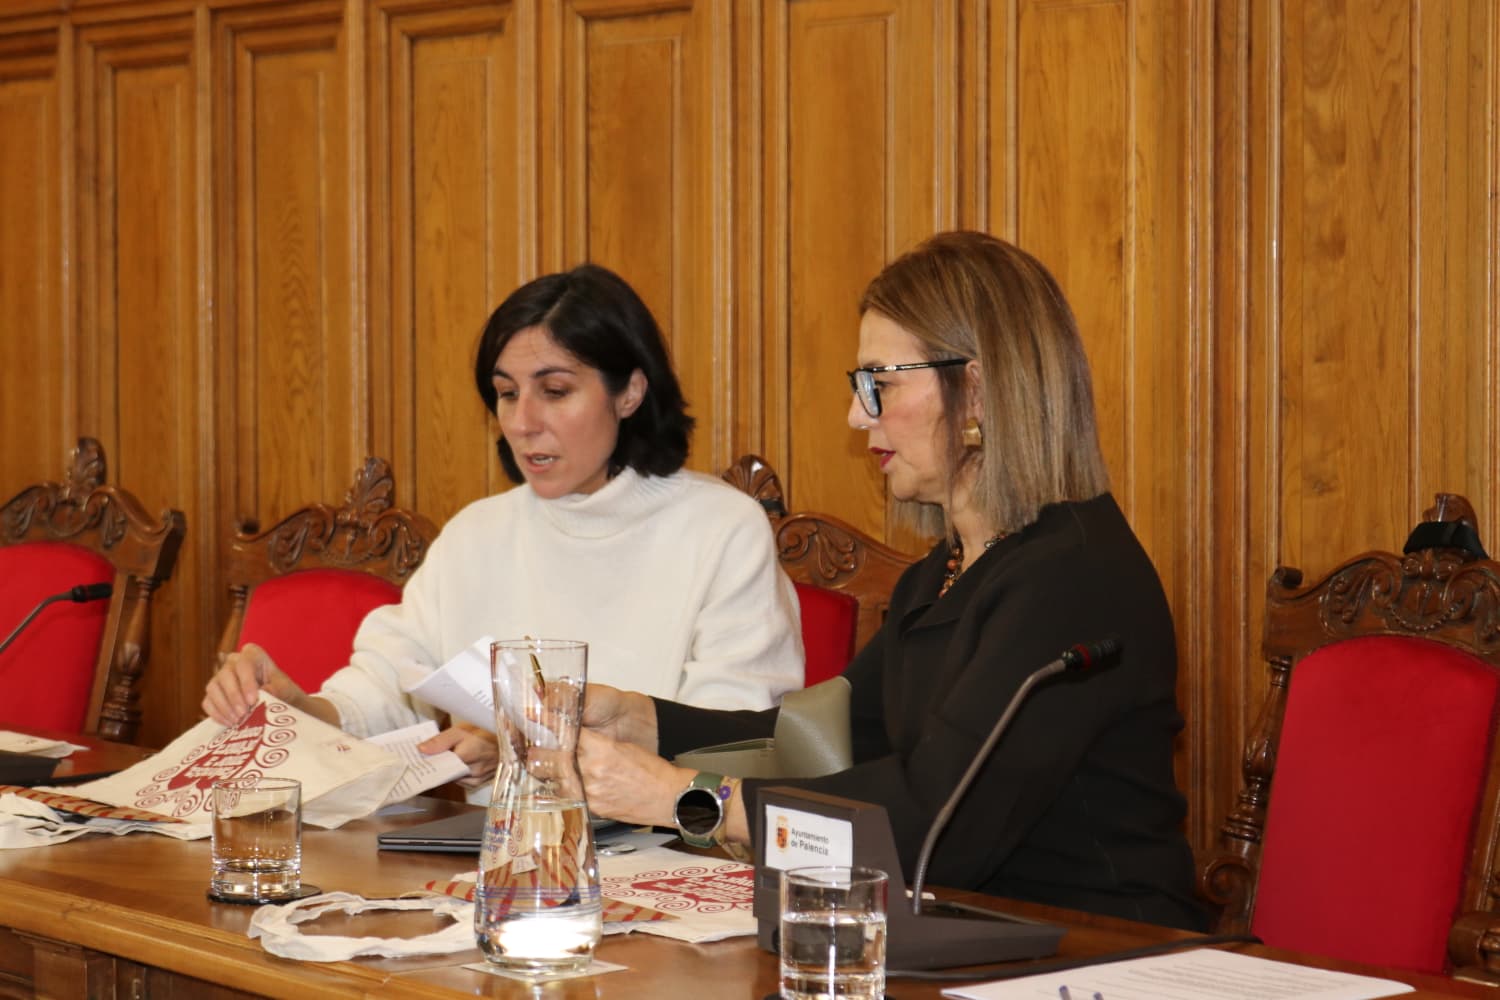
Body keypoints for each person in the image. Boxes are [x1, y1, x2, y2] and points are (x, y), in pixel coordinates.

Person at [575, 231, 1206, 930]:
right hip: (974, 939)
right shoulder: (947, 571)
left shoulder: (1071, 579)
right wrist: (636, 719)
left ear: (977, 389)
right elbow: (816, 739)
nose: (856, 413)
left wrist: (686, 799)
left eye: (881, 382)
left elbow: (933, 825)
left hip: (1099, 952)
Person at [203, 264, 804, 793]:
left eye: (555, 391)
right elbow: (389, 681)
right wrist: (304, 710)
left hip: (659, 850)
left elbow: (735, 741)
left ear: (630, 393)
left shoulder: (721, 528)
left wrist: (526, 755)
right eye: (506, 394)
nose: (523, 423)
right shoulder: (478, 532)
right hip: (488, 853)